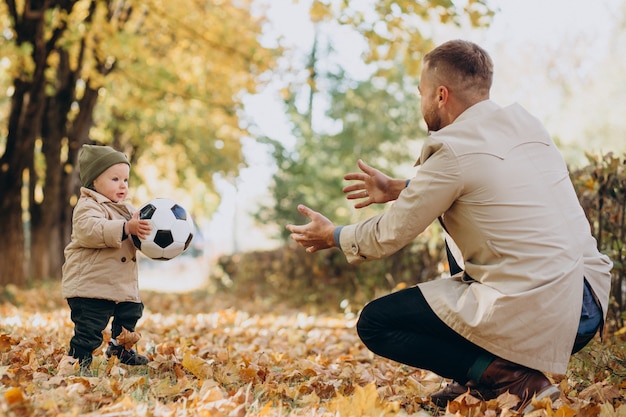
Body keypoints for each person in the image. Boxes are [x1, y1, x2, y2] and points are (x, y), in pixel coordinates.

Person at [285, 40, 612, 413]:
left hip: (541, 311)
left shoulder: (452, 148)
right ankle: (475, 376)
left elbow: (387, 235)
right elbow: (486, 188)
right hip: (588, 301)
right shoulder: (528, 126)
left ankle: (506, 377)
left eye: (422, 93)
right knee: (455, 221)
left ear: (441, 95)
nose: (421, 102)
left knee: (376, 323)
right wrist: (397, 188)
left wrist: (334, 235)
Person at [62, 144, 153, 373]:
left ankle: (120, 348)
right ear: (94, 181)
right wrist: (126, 227)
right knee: (90, 329)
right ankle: (77, 361)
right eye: (115, 179)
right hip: (90, 286)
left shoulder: (126, 209)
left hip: (120, 286)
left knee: (131, 312)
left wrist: (147, 235)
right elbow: (90, 230)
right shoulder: (88, 206)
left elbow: (134, 237)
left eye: (125, 180)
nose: (122, 185)